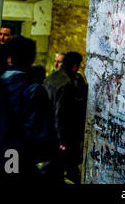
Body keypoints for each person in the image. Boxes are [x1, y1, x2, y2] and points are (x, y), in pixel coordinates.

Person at [0, 36, 59, 184]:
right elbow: (40, 136)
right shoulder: (33, 90)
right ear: (31, 58)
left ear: (9, 58)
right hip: (14, 160)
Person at [43, 51, 88, 184]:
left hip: (47, 130)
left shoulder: (51, 78)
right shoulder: (66, 83)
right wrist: (62, 140)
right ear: (74, 65)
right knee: (55, 168)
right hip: (59, 134)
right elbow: (60, 113)